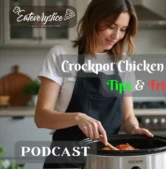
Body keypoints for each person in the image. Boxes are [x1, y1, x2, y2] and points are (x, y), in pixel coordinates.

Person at [35, 0, 153, 168]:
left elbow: (127, 117)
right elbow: (41, 118)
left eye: (123, 29)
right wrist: (77, 118)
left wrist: (134, 128)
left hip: (107, 161)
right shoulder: (61, 54)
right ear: (94, 20)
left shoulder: (123, 63)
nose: (116, 35)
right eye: (111, 26)